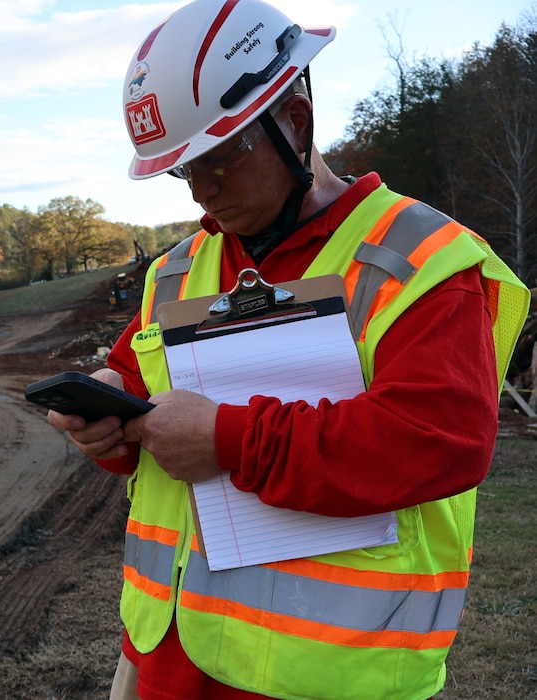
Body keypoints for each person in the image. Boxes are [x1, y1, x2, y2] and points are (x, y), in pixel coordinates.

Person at [45, 1, 530, 699]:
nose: (203, 191)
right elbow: (135, 386)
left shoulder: (418, 261)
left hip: (330, 676)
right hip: (163, 660)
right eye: (184, 171)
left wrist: (230, 440)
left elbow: (440, 440)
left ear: (294, 122)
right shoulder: (177, 271)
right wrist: (104, 418)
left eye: (219, 158)